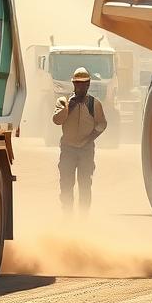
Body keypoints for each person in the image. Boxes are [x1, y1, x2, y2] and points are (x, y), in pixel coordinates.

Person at [53, 66, 107, 213]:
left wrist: (90, 138)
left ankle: (83, 218)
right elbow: (57, 120)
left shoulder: (94, 104)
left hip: (86, 150)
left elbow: (102, 124)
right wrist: (68, 108)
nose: (81, 87)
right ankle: (67, 216)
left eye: (84, 84)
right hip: (68, 149)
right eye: (78, 83)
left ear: (89, 85)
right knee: (66, 184)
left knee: (84, 185)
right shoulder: (63, 102)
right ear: (73, 84)